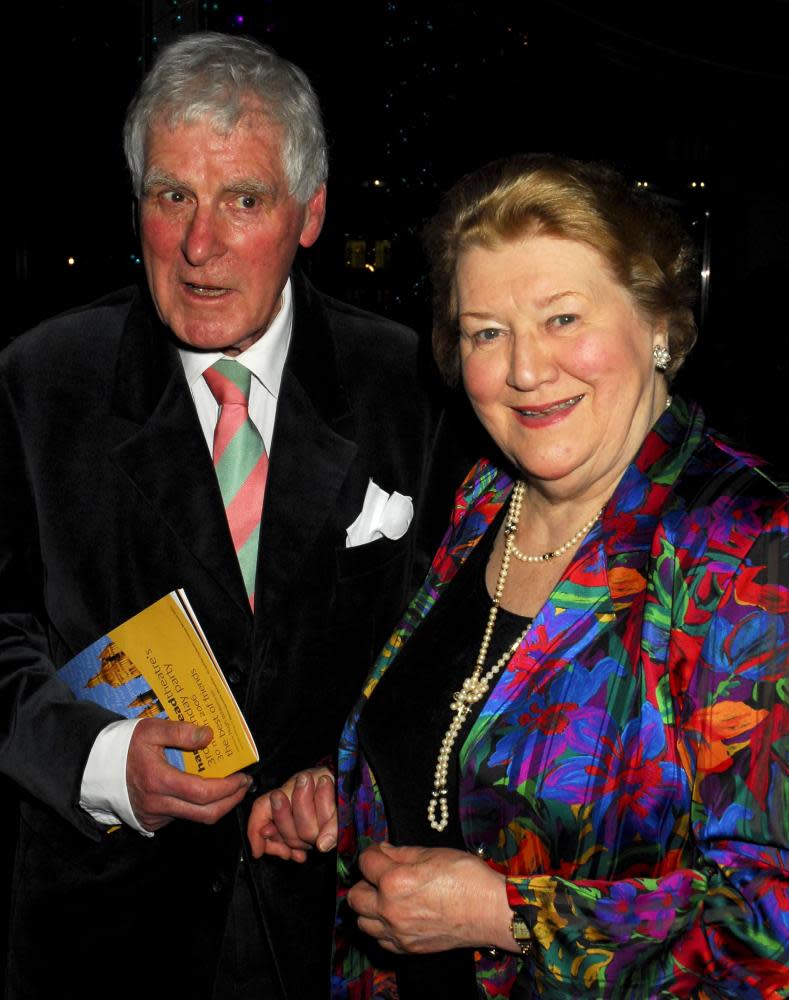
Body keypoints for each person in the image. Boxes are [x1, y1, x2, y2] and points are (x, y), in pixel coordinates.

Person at [248, 154, 789, 998]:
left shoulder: (748, 548)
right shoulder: (486, 500)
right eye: (486, 332)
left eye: (562, 317)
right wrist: (353, 790)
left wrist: (505, 914)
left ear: (658, 323)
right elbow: (467, 736)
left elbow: (776, 927)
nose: (526, 371)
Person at [0, 32, 454, 999]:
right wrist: (101, 757)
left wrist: (352, 779)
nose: (198, 246)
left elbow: (451, 648)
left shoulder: (412, 388)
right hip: (106, 935)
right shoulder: (40, 383)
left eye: (242, 200)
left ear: (310, 213)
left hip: (342, 929)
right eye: (172, 196)